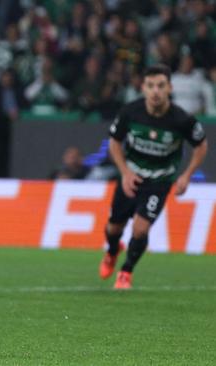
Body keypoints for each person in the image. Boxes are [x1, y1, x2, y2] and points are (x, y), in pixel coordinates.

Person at [99, 64, 207, 290]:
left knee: (140, 229)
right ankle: (112, 251)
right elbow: (114, 142)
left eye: (160, 86)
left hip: (159, 181)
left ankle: (126, 271)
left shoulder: (181, 119)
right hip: (132, 177)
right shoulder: (130, 112)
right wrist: (125, 172)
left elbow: (201, 145)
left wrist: (186, 175)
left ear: (170, 88)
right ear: (143, 88)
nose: (155, 91)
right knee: (113, 228)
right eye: (150, 86)